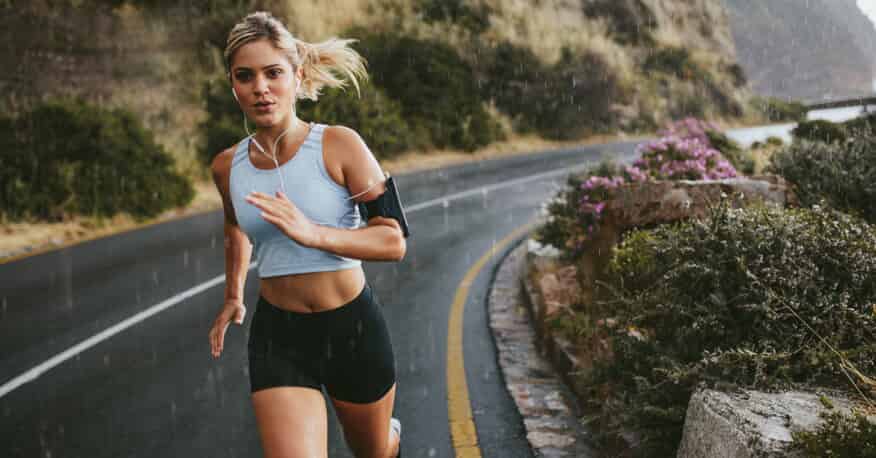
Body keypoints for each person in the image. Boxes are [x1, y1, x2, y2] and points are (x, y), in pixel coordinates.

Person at [207, 11, 406, 458]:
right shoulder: (227, 167)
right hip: (279, 337)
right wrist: (234, 294)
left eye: (273, 73)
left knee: (374, 452)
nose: (260, 88)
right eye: (245, 76)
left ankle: (390, 437)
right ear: (233, 85)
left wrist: (314, 233)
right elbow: (235, 224)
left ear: (296, 77)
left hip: (351, 328)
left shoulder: (339, 145)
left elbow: (393, 239)